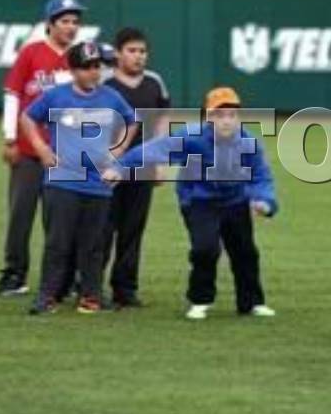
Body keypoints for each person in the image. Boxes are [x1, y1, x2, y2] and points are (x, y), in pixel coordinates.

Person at [111, 86, 277, 320]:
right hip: (200, 201)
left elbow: (261, 175)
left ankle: (251, 303)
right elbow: (154, 149)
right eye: (220, 115)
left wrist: (265, 201)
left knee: (245, 252)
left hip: (235, 200)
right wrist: (120, 167)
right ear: (209, 117)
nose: (227, 120)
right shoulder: (191, 138)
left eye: (232, 114)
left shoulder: (248, 143)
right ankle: (200, 300)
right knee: (205, 249)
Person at [23, 42, 137, 315]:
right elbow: (27, 118)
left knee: (93, 246)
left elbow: (132, 121)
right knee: (57, 243)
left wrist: (119, 150)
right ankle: (47, 296)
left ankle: (92, 296)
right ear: (73, 70)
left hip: (98, 185)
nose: (93, 72)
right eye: (86, 67)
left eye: (97, 66)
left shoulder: (111, 97)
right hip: (62, 183)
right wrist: (41, 149)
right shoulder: (56, 97)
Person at [0, 0, 85, 297]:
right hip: (30, 150)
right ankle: (15, 274)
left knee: (62, 220)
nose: (70, 27)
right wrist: (9, 137)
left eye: (74, 21)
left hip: (67, 153)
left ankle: (65, 279)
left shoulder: (82, 57)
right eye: (64, 21)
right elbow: (13, 94)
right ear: (50, 24)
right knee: (21, 214)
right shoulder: (31, 53)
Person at [100, 27, 171, 308]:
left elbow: (162, 121)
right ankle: (90, 285)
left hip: (142, 166)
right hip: (108, 167)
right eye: (131, 50)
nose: (138, 56)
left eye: (142, 51)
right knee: (102, 229)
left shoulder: (155, 83)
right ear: (117, 53)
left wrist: (160, 161)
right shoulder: (105, 84)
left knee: (132, 230)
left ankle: (125, 289)